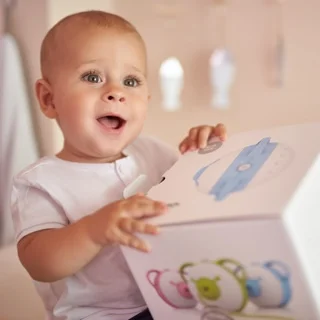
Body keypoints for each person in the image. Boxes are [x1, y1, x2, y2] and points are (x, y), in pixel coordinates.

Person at [10, 10, 227, 320]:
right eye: (92, 77)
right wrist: (93, 231)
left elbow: (194, 196)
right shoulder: (41, 181)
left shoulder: (153, 152)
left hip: (169, 299)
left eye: (131, 80)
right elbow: (39, 262)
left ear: (147, 99)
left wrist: (207, 153)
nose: (116, 92)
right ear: (49, 99)